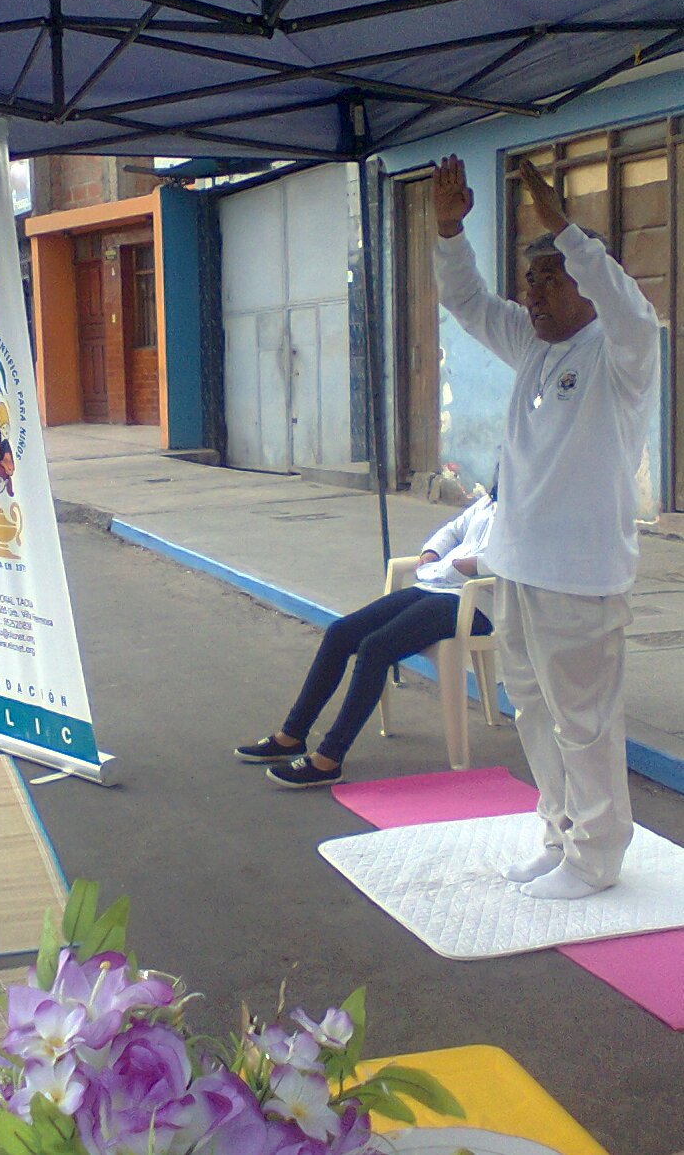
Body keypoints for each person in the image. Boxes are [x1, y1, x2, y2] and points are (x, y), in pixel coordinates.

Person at [432, 154, 659, 900]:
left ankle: (597, 857)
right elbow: (465, 300)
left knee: (585, 723)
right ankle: (560, 834)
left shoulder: (620, 352)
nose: (531, 293)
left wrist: (562, 225)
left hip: (581, 576)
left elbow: (625, 303)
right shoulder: (532, 343)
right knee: (533, 711)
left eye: (549, 277)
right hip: (517, 567)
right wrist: (447, 228)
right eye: (529, 278)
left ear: (584, 284)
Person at [236, 487, 496, 788]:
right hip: (437, 585)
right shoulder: (489, 501)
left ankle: (330, 758)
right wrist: (432, 553)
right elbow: (453, 530)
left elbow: (522, 561)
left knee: (375, 648)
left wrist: (469, 565)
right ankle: (292, 735)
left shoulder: (526, 511)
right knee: (341, 633)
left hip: (477, 601)